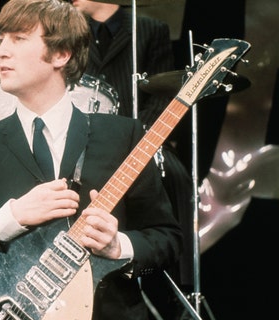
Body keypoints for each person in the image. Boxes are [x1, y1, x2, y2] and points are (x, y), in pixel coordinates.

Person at [0, 0, 183, 319]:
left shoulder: (123, 136)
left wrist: (119, 247)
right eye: (2, 39)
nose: (1, 51)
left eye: (19, 39)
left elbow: (167, 241)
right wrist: (11, 217)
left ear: (61, 54)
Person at [71, 1, 196, 317]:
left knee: (175, 175)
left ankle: (175, 285)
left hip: (139, 139)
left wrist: (142, 139)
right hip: (87, 143)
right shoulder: (69, 28)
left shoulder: (150, 28)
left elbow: (162, 94)